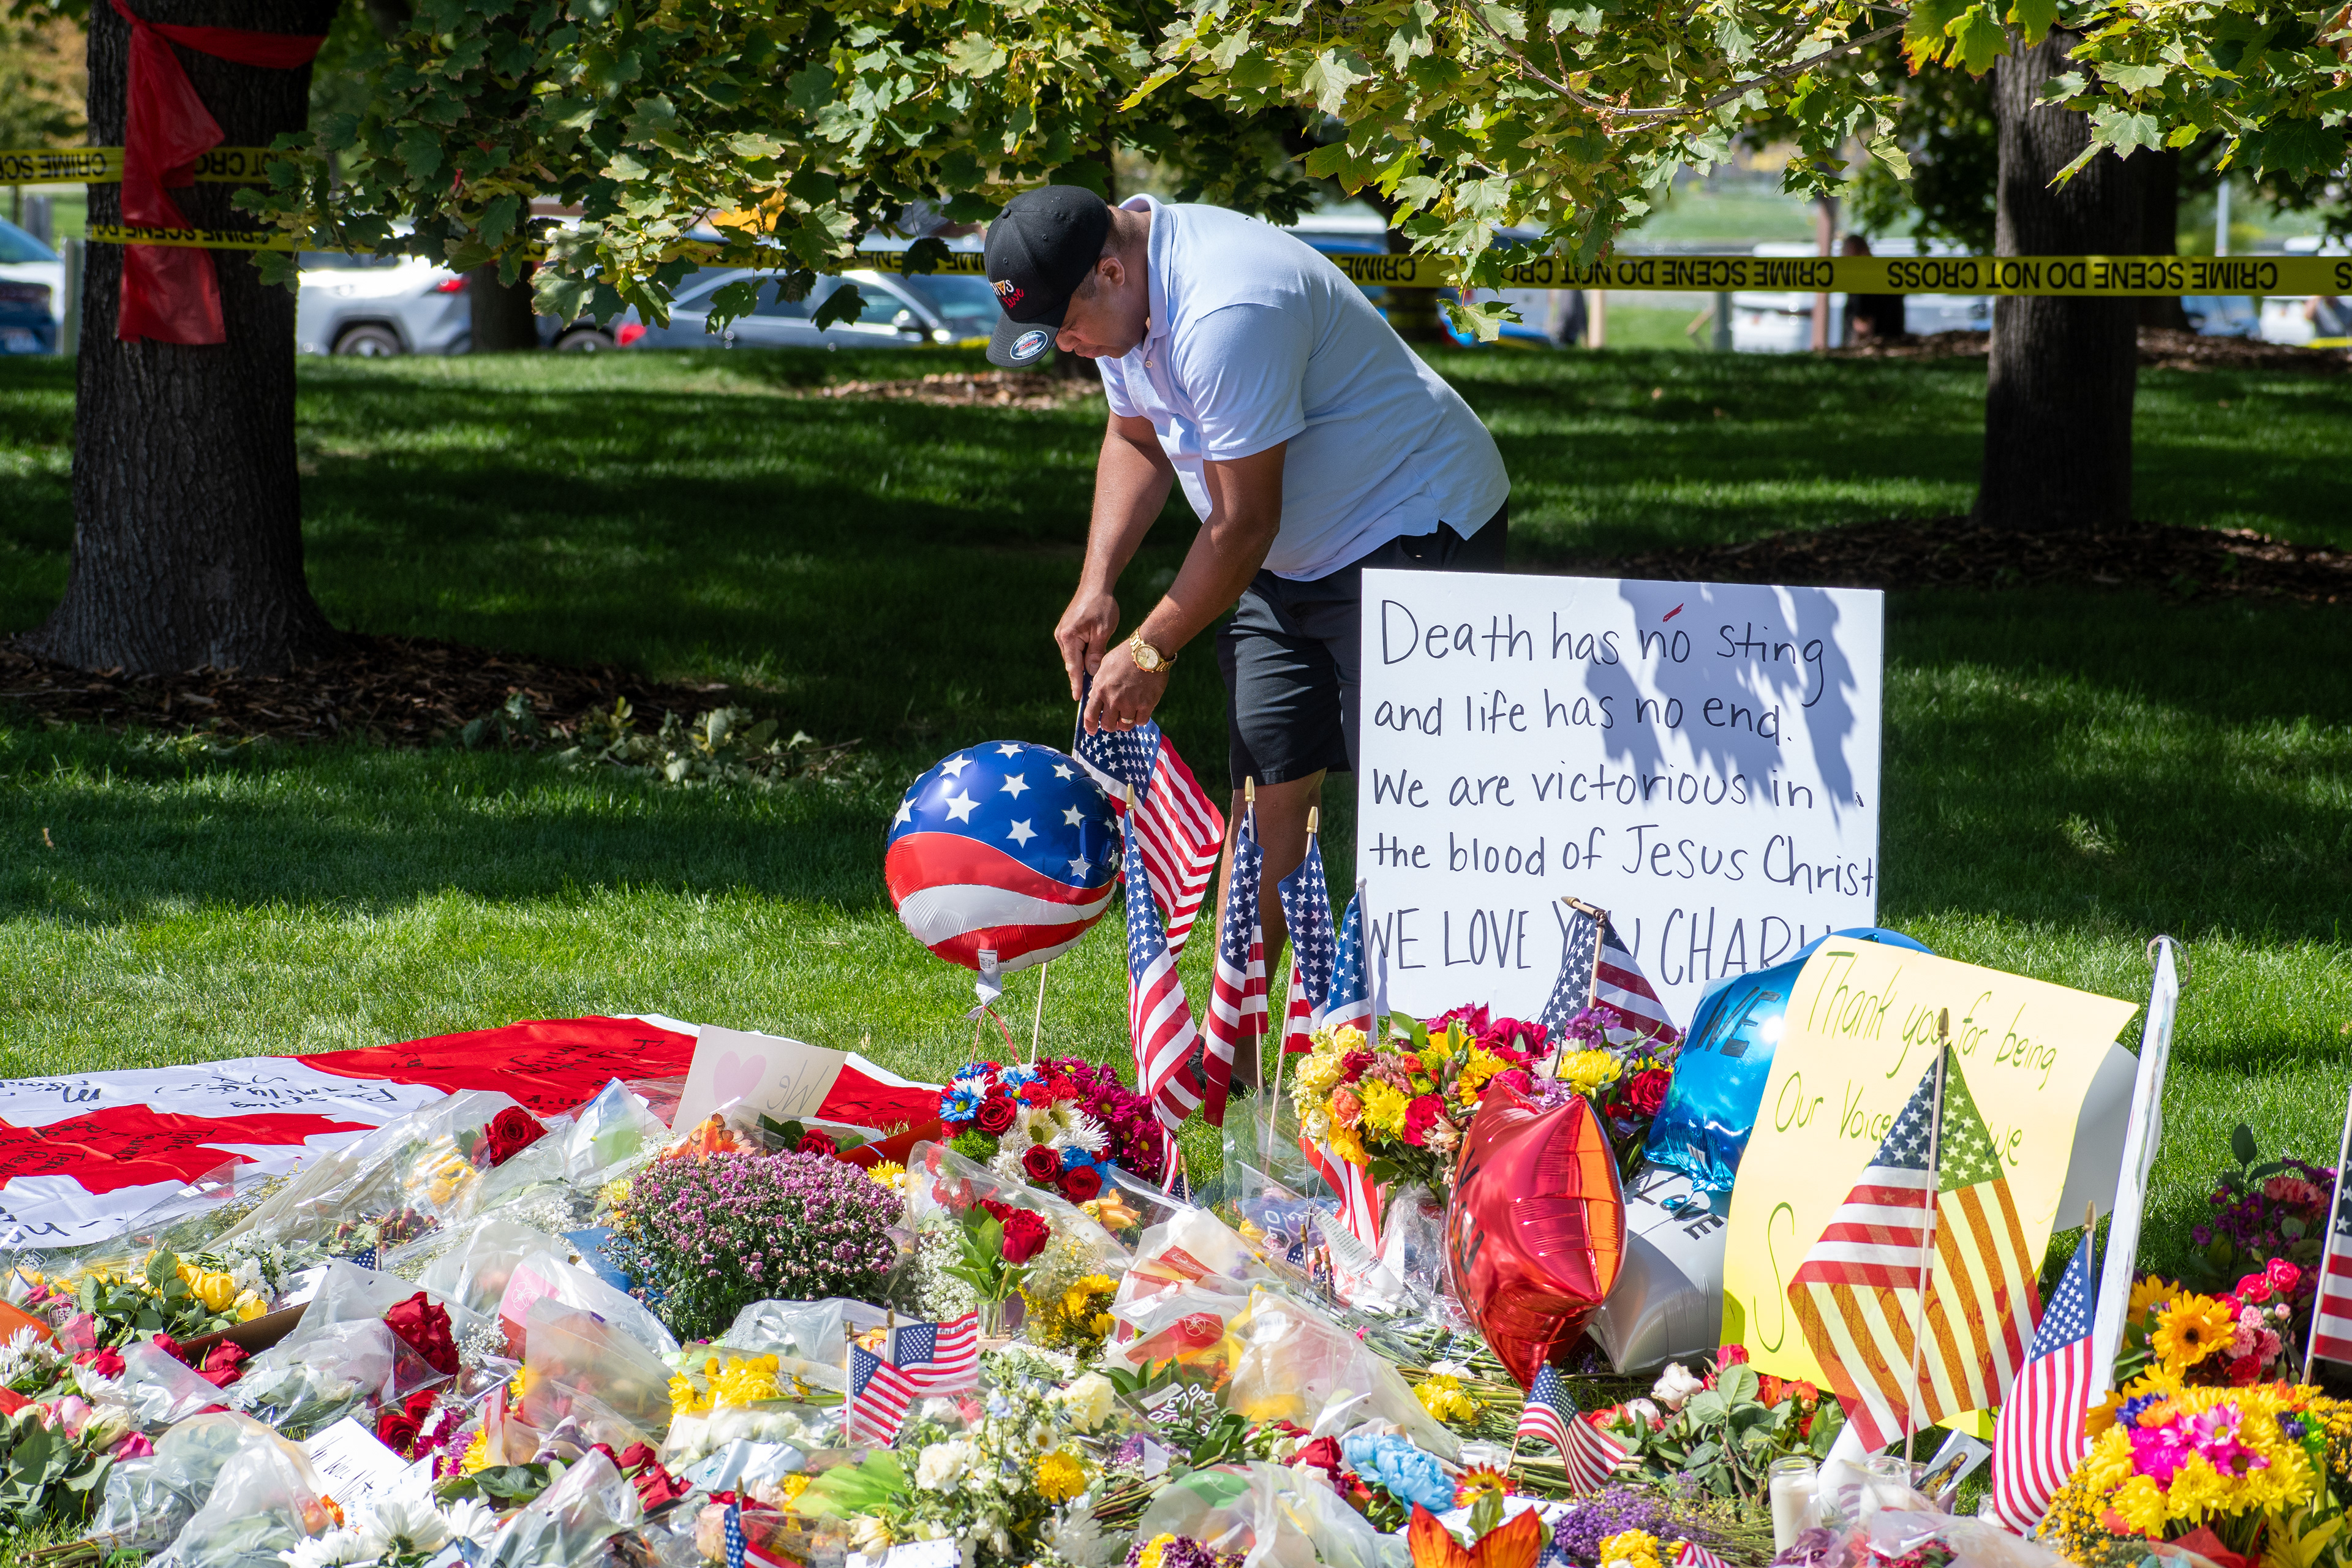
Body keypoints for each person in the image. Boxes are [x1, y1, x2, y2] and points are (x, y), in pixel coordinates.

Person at [983, 187, 1509, 1087]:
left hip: (1416, 529)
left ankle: (1440, 1064)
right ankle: (1246, 1059)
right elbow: (1136, 435)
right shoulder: (1123, 298)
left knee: (1420, 808)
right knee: (1269, 791)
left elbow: (1243, 522)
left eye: (1067, 328)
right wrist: (1097, 586)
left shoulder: (1226, 306)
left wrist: (1152, 647)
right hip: (1286, 553)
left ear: (1110, 273)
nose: (1068, 350)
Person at [1839, 234, 1906, 345]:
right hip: (1893, 342)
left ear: (1852, 250)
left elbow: (1863, 325)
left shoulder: (1863, 278)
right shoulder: (1886, 275)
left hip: (1876, 347)